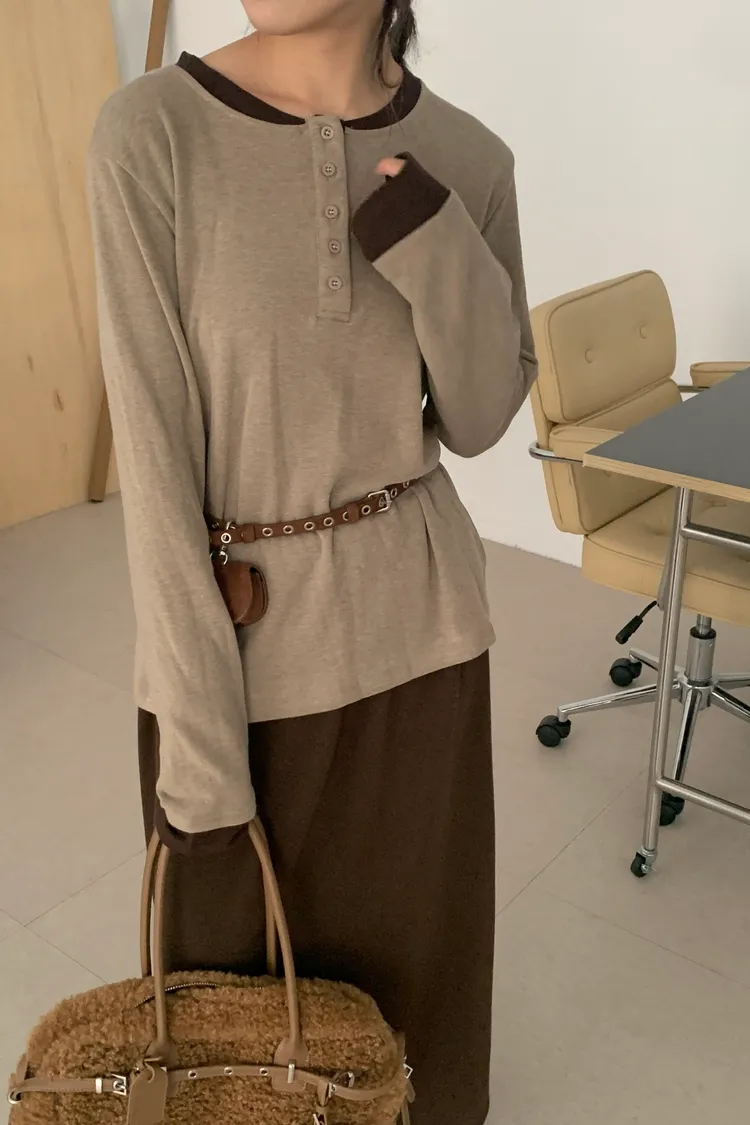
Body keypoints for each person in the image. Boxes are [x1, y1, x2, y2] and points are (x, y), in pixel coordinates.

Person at [88, 1, 537, 1122]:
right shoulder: (153, 132)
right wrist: (201, 753)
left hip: (423, 643)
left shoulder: (472, 156)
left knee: (413, 1007)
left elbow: (480, 417)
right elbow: (153, 462)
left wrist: (433, 242)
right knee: (237, 1037)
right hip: (236, 662)